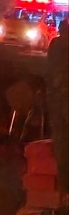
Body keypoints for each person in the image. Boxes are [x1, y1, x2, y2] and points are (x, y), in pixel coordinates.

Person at [47, 17, 68, 197]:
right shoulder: (58, 46)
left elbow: (49, 71)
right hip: (61, 100)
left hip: (58, 100)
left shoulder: (55, 45)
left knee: (62, 149)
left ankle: (64, 194)